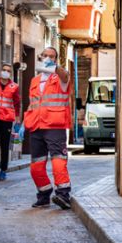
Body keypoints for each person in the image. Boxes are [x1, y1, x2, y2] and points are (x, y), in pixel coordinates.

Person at [19, 47, 72, 209]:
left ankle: (63, 194)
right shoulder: (34, 81)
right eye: (45, 56)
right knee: (36, 166)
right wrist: (23, 124)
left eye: (52, 56)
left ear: (56, 59)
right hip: (36, 125)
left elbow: (65, 76)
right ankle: (44, 194)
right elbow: (32, 104)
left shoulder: (61, 77)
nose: (48, 58)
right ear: (40, 57)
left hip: (55, 125)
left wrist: (55, 68)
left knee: (58, 161)